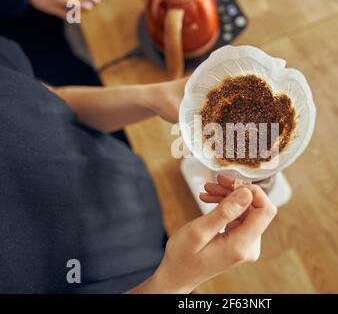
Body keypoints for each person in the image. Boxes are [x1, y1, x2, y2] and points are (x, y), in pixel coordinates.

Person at [0, 36, 277, 293]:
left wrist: (154, 97)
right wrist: (173, 281)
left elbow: (50, 103)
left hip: (128, 180)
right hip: (129, 277)